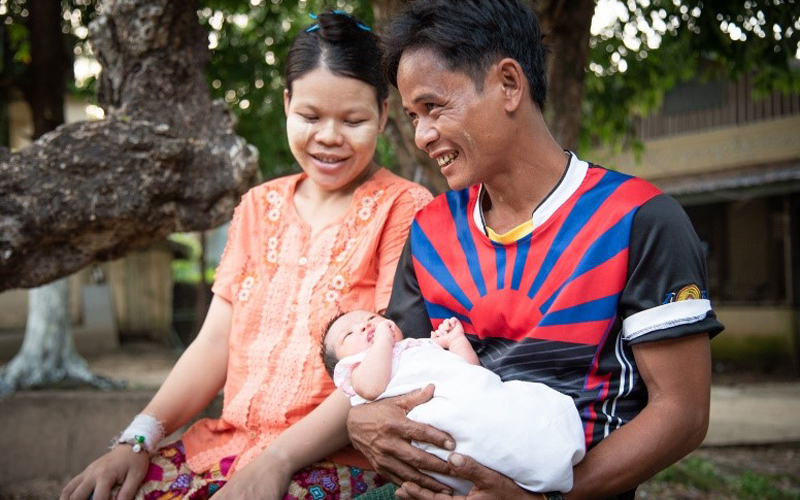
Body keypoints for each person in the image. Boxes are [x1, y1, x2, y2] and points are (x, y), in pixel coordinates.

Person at [345, 1, 725, 499]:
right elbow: (396, 375)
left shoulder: (641, 220)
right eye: (414, 116)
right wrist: (361, 421)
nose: (422, 136)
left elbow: (683, 413)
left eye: (434, 107)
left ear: (508, 84)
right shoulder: (429, 232)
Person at [60, 11, 432, 500]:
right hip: (225, 445)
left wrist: (277, 461)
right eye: (310, 116)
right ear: (286, 104)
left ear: (384, 115)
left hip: (335, 458)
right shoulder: (259, 206)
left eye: (354, 120)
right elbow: (214, 344)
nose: (328, 137)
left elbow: (391, 361)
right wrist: (139, 437)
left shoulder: (404, 209)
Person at [322, 310, 585, 496]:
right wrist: (382, 339)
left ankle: (542, 452)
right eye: (349, 334)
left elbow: (470, 371)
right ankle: (531, 467)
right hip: (442, 425)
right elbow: (371, 387)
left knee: (514, 410)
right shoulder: (358, 371)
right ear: (340, 366)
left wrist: (456, 343)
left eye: (371, 318)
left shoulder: (419, 345)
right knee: (477, 441)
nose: (366, 326)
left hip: (476, 398)